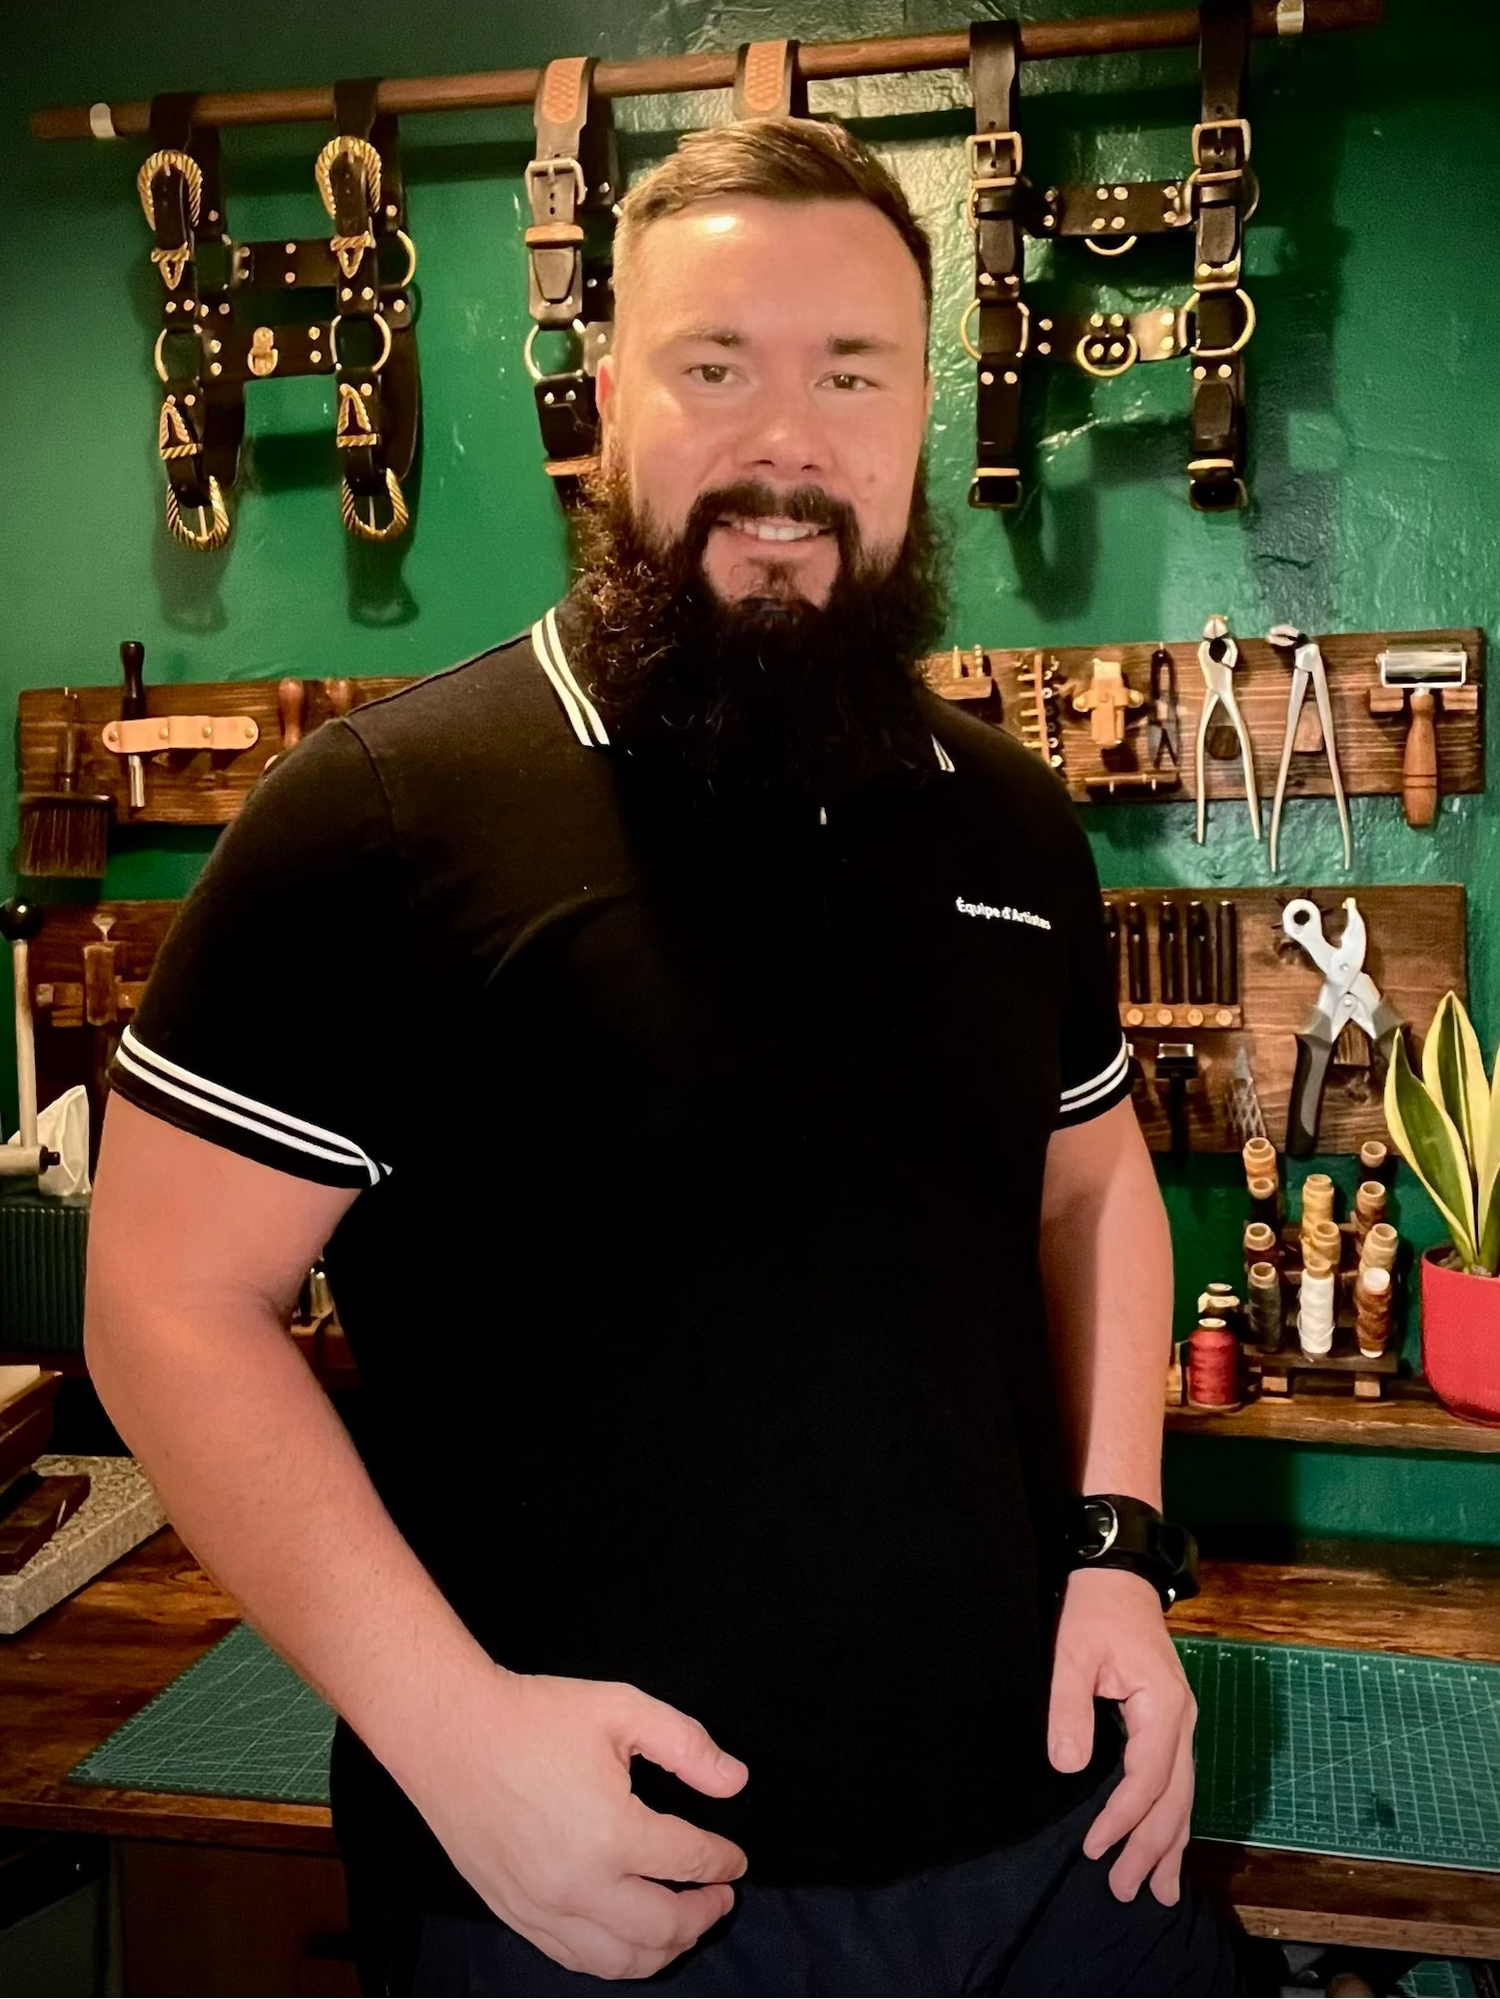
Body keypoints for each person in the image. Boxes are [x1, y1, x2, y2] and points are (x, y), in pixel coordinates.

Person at [86, 119, 1244, 1998]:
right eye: (718, 368)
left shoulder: (1013, 827)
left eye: (849, 373)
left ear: (916, 417)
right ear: (609, 396)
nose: (785, 440)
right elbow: (159, 1304)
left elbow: (1097, 1182)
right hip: (600, 1885)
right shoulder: (378, 822)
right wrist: (449, 1731)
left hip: (1051, 1844)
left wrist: (1120, 1545)